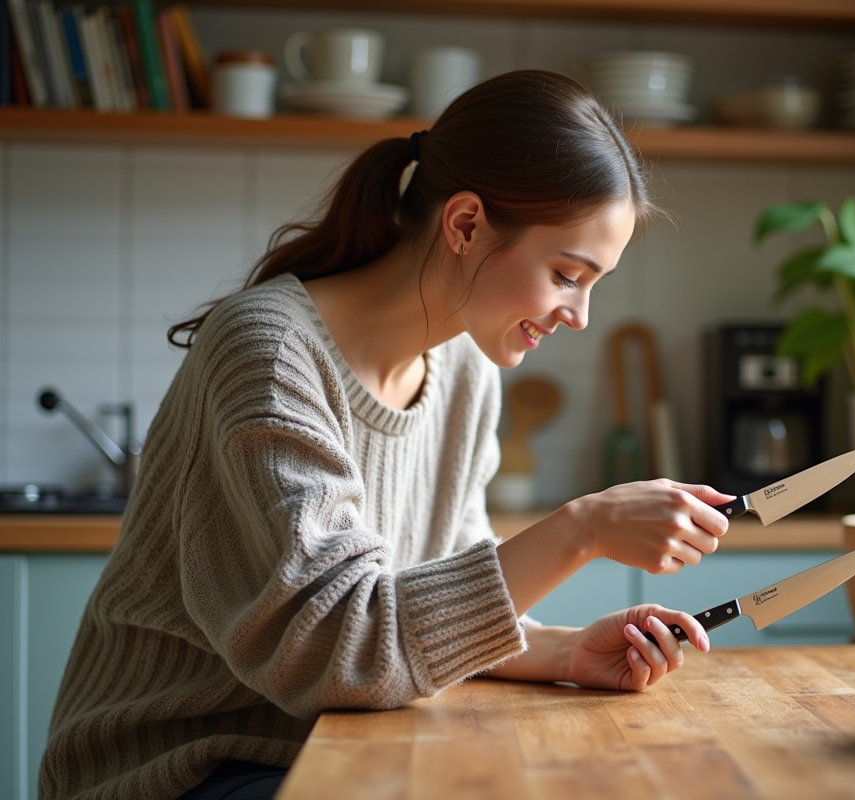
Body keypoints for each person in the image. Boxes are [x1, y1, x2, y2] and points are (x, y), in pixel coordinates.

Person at [38, 70, 734, 800]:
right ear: (465, 225)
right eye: (566, 274)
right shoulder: (269, 353)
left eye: (594, 284)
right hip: (183, 766)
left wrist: (565, 650)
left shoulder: (465, 366)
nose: (579, 315)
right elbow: (338, 655)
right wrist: (582, 529)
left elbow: (425, 610)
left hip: (336, 745)